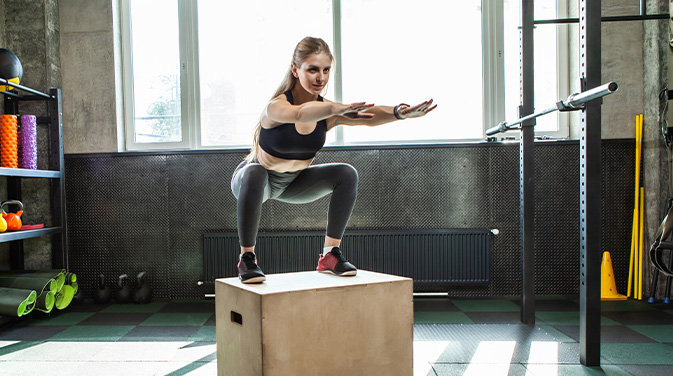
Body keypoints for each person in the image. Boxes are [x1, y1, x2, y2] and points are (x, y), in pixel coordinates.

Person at [231, 36, 437, 283]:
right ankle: (247, 259)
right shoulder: (276, 107)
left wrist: (398, 113)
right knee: (256, 172)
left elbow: (367, 117)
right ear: (295, 70)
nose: (321, 78)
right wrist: (335, 109)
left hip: (293, 183)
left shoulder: (329, 111)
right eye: (313, 69)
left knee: (346, 173)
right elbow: (300, 113)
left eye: (326, 70)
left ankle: (330, 255)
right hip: (254, 182)